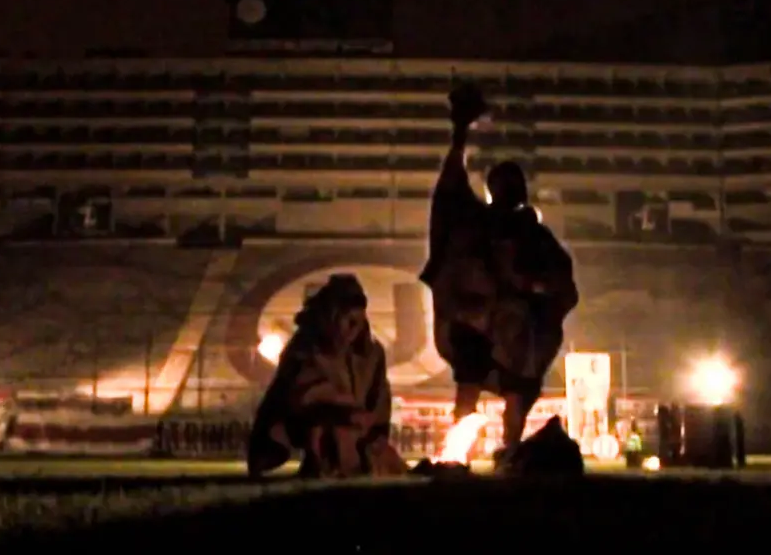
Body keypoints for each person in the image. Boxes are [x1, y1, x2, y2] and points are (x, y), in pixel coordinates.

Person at [420, 84, 579, 468]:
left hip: (519, 330)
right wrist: (459, 135)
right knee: (477, 379)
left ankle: (507, 450)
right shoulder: (482, 223)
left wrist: (530, 288)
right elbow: (450, 193)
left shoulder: (532, 235)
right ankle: (462, 453)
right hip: (478, 322)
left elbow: (562, 285)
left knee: (515, 385)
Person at [246, 274, 407, 479]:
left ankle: (351, 462)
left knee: (373, 455)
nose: (352, 328)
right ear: (330, 315)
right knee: (330, 433)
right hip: (316, 425)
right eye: (346, 319)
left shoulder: (371, 354)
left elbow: (380, 400)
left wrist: (372, 425)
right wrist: (346, 411)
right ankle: (328, 464)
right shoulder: (305, 348)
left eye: (357, 321)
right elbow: (304, 395)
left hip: (357, 430)